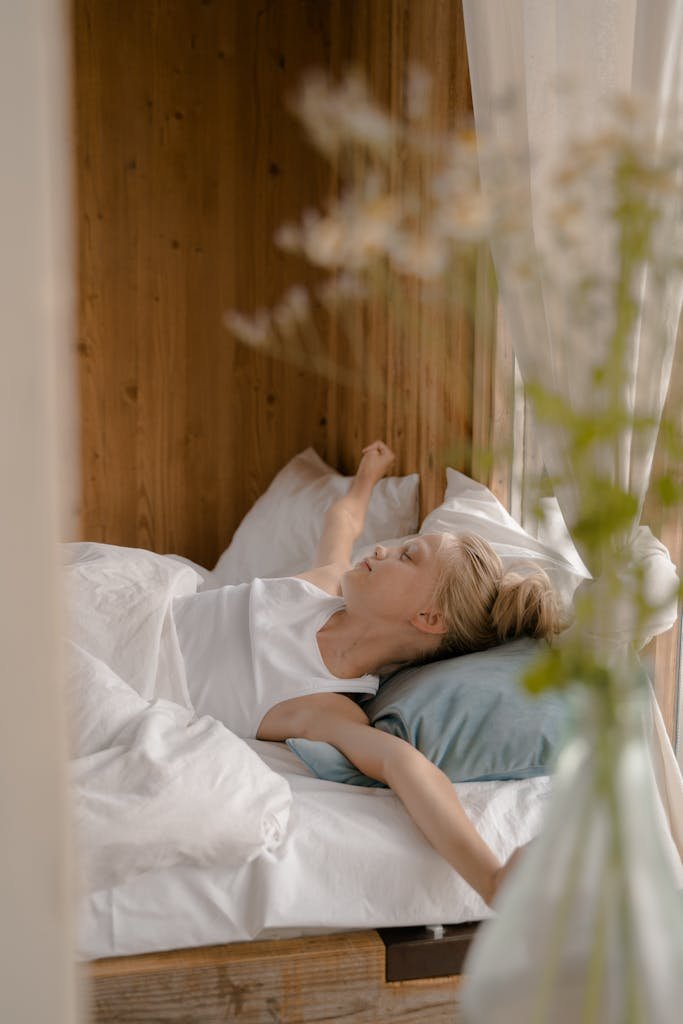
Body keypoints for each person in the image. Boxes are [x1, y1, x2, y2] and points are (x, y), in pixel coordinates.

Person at [173, 441, 562, 906]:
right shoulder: (322, 585)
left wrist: (491, 879)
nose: (382, 548)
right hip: (139, 605)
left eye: (407, 556)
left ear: (429, 618)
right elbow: (343, 522)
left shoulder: (322, 704)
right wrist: (367, 477)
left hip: (128, 670)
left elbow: (406, 767)